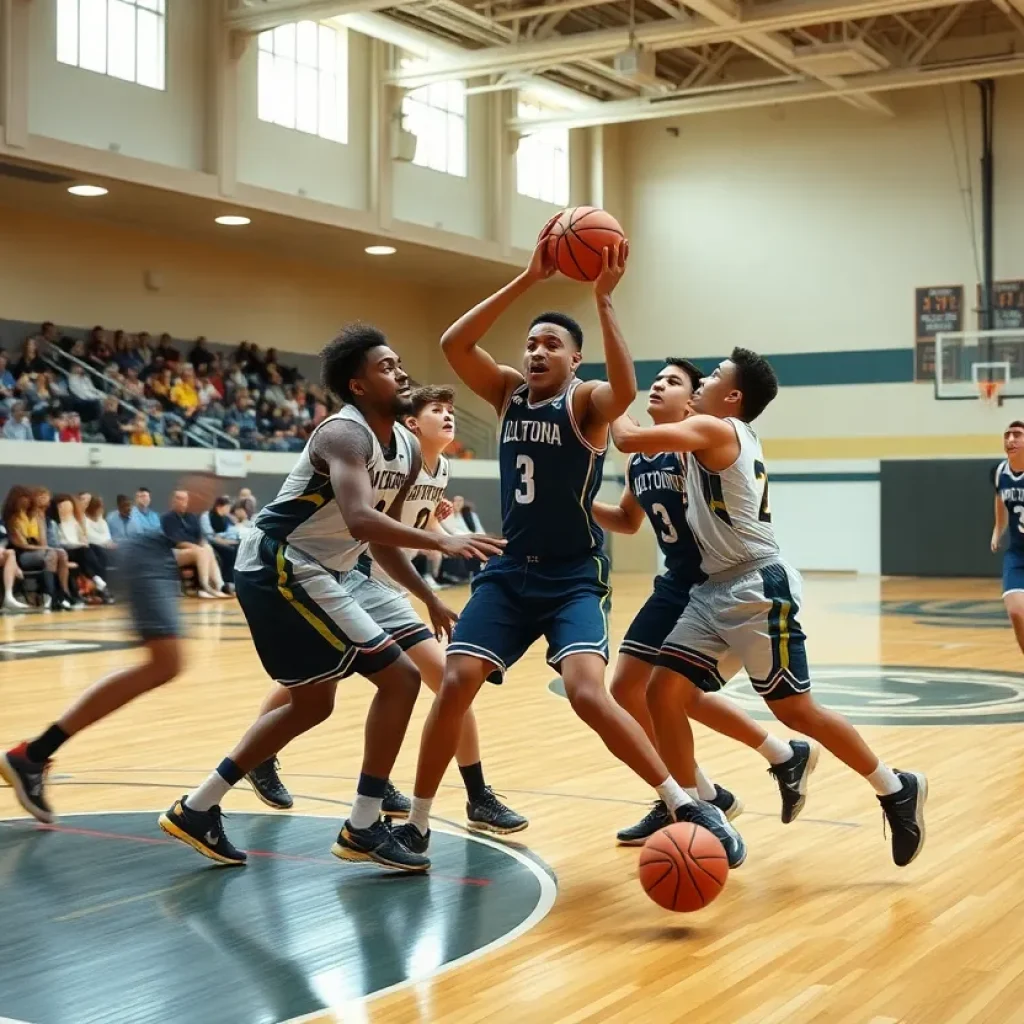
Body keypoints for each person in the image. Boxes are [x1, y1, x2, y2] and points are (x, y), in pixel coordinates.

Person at [393, 235, 744, 870]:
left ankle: (681, 803)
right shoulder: (506, 393)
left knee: (587, 691)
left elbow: (625, 387)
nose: (535, 351)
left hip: (572, 578)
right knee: (455, 681)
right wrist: (529, 278)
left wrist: (603, 302)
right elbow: (453, 346)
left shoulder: (584, 403)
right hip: (507, 575)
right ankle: (416, 826)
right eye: (531, 343)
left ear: (575, 360)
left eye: (551, 344)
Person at [158, 324, 503, 870]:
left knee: (313, 702)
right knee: (401, 678)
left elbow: (378, 535)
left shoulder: (407, 447)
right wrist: (442, 538)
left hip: (325, 569)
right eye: (385, 367)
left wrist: (426, 596)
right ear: (358, 385)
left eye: (398, 363)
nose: (400, 372)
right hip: (279, 561)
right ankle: (364, 824)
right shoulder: (343, 434)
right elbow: (358, 517)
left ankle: (196, 808)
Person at [611, 347, 926, 867]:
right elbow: (640, 470)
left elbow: (625, 436)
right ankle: (697, 806)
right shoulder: (708, 433)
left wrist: (601, 390)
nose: (700, 384)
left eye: (710, 378)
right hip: (713, 589)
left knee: (795, 709)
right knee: (662, 693)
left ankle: (894, 786)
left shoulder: (718, 430)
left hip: (757, 586)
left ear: (731, 397)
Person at [256, 385, 526, 833]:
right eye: (436, 409)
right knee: (320, 678)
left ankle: (474, 794)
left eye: (451, 409)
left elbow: (412, 520)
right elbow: (374, 525)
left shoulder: (441, 468)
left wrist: (436, 528)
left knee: (443, 681)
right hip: (355, 577)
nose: (448, 415)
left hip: (390, 588)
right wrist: (431, 579)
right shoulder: (388, 458)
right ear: (411, 423)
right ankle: (264, 756)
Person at [594, 358, 816, 844]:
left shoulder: (691, 446)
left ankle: (693, 792)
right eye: (656, 380)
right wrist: (571, 498)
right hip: (675, 580)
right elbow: (628, 520)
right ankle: (716, 782)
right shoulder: (644, 459)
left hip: (708, 580)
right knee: (634, 688)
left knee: (666, 693)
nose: (658, 386)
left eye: (672, 382)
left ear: (692, 398)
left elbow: (631, 434)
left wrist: (609, 396)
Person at [0, 476, 220, 822]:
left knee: (165, 665)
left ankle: (35, 753)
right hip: (149, 555)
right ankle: (32, 754)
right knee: (164, 664)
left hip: (155, 556)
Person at [991, 421, 1024, 654]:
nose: (1010, 439)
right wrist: (997, 528)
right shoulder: (1001, 472)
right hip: (1017, 554)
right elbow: (1000, 499)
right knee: (1015, 612)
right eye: (1007, 435)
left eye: (1017, 435)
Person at [161, 489, 230, 599]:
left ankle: (219, 585)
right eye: (179, 499)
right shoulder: (167, 518)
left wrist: (202, 544)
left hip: (195, 549)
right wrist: (197, 547)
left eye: (184, 499)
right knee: (200, 551)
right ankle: (204, 587)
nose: (182, 502)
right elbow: (177, 542)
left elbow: (200, 537)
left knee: (207, 547)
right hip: (175, 552)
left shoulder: (191, 517)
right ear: (173, 501)